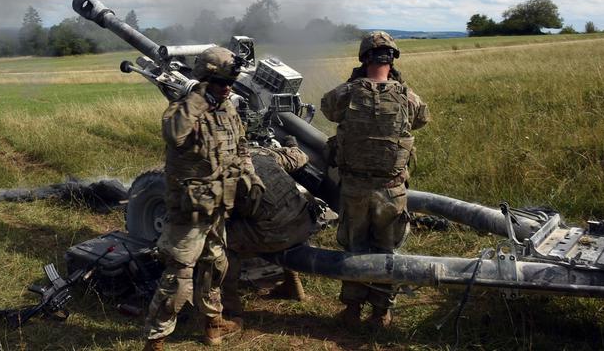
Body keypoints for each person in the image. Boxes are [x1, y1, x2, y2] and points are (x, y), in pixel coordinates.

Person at [142, 47, 264, 350]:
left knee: (215, 266)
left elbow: (241, 146)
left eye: (230, 82)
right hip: (189, 210)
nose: (228, 88)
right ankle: (156, 338)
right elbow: (174, 134)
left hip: (219, 205)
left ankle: (212, 323)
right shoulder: (183, 108)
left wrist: (251, 175)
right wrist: (199, 97)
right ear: (206, 78)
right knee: (178, 274)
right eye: (221, 82)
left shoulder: (228, 108)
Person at [320, 32, 429, 329]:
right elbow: (421, 119)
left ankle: (352, 309)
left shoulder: (348, 92)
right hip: (392, 189)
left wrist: (354, 81)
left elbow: (328, 108)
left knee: (355, 247)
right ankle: (381, 313)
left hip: (354, 187)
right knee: (386, 251)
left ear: (363, 58)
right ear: (392, 59)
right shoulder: (407, 96)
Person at [221, 137, 327, 319]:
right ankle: (293, 285)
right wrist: (291, 144)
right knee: (277, 215)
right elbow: (300, 156)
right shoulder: (265, 153)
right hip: (304, 224)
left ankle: (231, 306)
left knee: (221, 241)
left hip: (275, 235)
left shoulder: (226, 168)